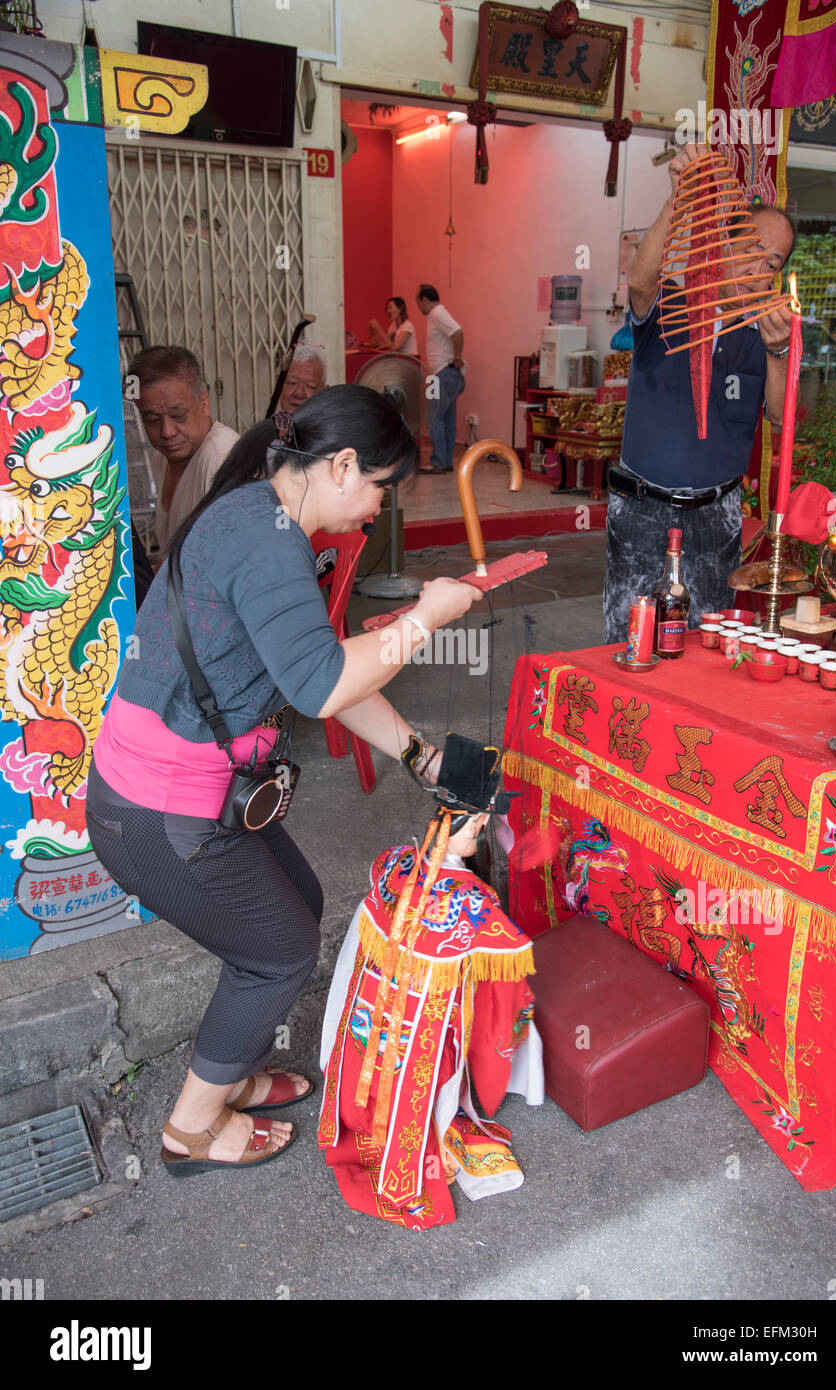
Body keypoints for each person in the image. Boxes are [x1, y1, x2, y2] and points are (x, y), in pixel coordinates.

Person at [85, 385, 481, 1176]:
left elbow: (321, 664)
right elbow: (322, 686)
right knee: (278, 950)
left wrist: (419, 755)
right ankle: (190, 1131)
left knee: (295, 909)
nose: (377, 507)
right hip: (160, 810)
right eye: (378, 486)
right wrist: (425, 618)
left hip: (192, 794)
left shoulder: (255, 515)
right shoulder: (265, 542)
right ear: (339, 465)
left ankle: (226, 1072)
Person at [318, 734, 543, 1229]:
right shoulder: (476, 906)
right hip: (420, 1046)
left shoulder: (392, 863)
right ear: (482, 820)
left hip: (363, 1039)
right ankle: (423, 1138)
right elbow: (507, 995)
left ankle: (355, 1123)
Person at [602, 143, 796, 643]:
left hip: (717, 518)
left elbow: (779, 416)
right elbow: (639, 279)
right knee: (632, 644)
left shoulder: (768, 331)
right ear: (724, 245)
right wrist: (680, 196)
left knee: (708, 647)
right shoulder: (673, 305)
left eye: (771, 263)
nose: (759, 269)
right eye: (751, 251)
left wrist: (779, 352)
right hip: (642, 510)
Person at [128, 346, 239, 555]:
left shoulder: (221, 459)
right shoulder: (161, 458)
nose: (167, 432)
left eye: (178, 415)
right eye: (152, 420)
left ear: (204, 403)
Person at [416, 283, 465, 474]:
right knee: (447, 418)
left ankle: (438, 462)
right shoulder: (435, 315)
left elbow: (458, 332)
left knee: (433, 416)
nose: (418, 307)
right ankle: (445, 461)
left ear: (425, 300)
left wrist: (458, 357)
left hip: (443, 374)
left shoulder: (437, 313)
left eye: (418, 302)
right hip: (445, 374)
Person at [277, 343, 328, 413]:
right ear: (279, 385)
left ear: (324, 392)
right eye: (292, 383)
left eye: (310, 386)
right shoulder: (269, 424)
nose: (299, 393)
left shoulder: (335, 423)